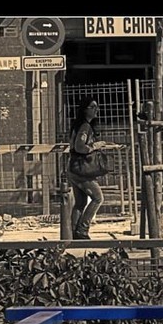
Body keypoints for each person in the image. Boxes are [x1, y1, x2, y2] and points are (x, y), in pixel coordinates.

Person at [67, 96, 105, 240]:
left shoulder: (78, 125)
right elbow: (79, 146)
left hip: (73, 168)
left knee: (81, 202)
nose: (96, 110)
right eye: (93, 107)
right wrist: (95, 146)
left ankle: (73, 232)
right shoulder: (85, 127)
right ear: (85, 109)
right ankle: (82, 229)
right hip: (81, 169)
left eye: (97, 107)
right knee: (98, 198)